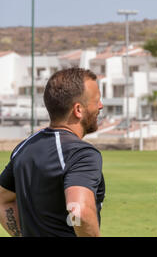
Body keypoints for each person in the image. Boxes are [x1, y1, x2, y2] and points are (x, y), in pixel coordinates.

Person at [0, 68, 105, 237]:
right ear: (78, 109)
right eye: (97, 100)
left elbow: (2, 200)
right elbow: (78, 211)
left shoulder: (25, 147)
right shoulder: (81, 154)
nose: (101, 105)